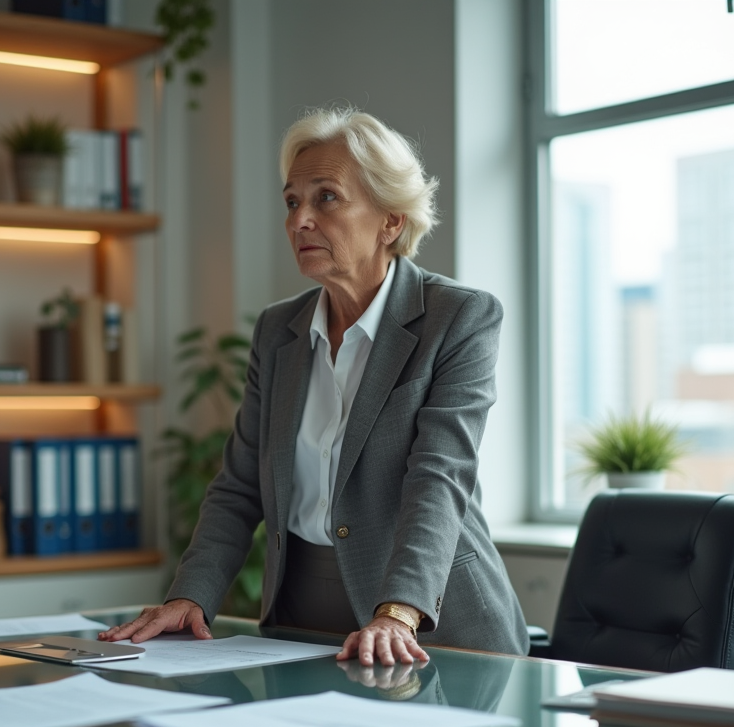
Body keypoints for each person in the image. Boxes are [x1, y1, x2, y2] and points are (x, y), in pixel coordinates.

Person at [101, 106, 528, 664]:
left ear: (391, 220)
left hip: (430, 626)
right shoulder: (279, 329)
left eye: (326, 197)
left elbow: (439, 477)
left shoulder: (458, 317)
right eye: (291, 201)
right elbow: (239, 486)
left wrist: (398, 610)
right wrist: (190, 595)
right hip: (299, 620)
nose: (299, 220)